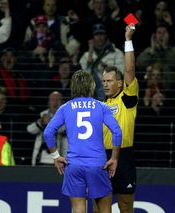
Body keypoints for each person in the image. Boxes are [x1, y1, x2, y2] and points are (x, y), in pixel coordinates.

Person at [43, 70, 122, 213]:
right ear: (91, 86)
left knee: (78, 209)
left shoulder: (65, 108)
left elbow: (48, 132)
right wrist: (114, 158)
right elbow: (117, 132)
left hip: (74, 165)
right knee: (104, 209)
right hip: (98, 165)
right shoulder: (102, 106)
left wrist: (56, 157)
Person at [101, 23, 137, 213]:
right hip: (102, 156)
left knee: (125, 205)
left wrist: (128, 41)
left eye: (109, 81)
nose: (105, 85)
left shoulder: (127, 99)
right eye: (103, 81)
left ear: (120, 83)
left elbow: (130, 70)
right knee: (100, 207)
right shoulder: (101, 106)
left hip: (124, 156)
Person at [27, 91, 67, 166]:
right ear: (48, 102)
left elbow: (65, 130)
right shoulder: (42, 114)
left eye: (58, 100)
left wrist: (50, 123)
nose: (55, 103)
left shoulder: (67, 116)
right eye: (52, 100)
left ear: (63, 103)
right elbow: (30, 129)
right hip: (42, 158)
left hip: (61, 158)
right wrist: (41, 122)